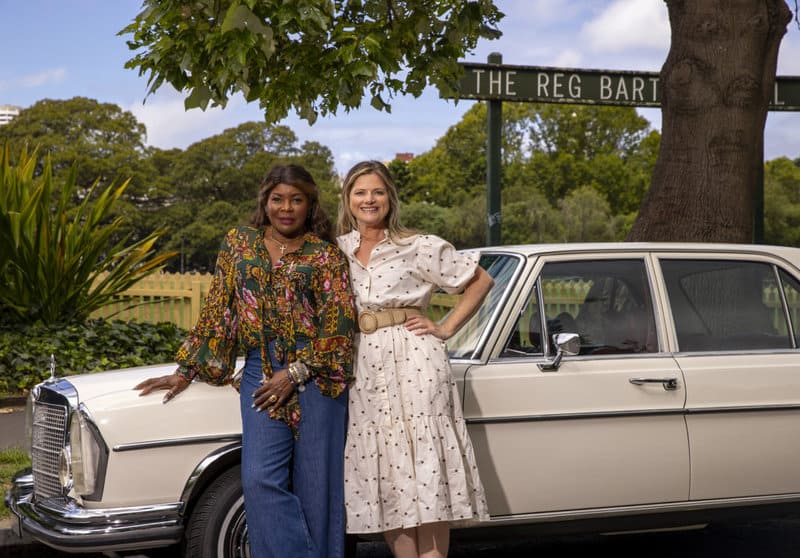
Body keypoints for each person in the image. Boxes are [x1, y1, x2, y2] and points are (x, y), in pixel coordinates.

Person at [135, 163, 356, 558]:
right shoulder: (239, 244)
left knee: (317, 488)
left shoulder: (325, 256)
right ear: (264, 200)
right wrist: (186, 371)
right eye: (277, 199)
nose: (285, 208)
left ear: (310, 205)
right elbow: (220, 311)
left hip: (319, 376)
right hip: (259, 368)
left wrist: (296, 372)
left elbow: (338, 328)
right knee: (259, 480)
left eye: (296, 200)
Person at [336, 161, 494, 558]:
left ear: (390, 197)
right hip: (365, 364)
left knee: (425, 463)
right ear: (348, 200)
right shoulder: (337, 251)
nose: (369, 200)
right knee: (387, 467)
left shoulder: (418, 245)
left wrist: (445, 327)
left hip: (416, 359)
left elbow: (481, 281)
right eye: (360, 193)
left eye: (377, 192)